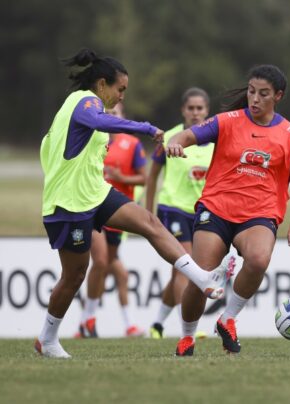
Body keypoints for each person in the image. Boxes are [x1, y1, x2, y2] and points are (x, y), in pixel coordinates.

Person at [36, 48, 228, 359]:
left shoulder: (75, 108)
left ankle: (200, 275)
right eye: (120, 89)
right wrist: (146, 128)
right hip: (69, 203)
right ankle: (47, 339)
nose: (121, 96)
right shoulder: (85, 102)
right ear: (102, 84)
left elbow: (49, 147)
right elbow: (99, 122)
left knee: (150, 223)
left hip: (95, 193)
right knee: (74, 276)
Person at [165, 65, 290, 356]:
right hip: (217, 207)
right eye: (251, 91)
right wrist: (174, 142)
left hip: (260, 212)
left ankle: (227, 318)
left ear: (278, 96)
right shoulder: (227, 121)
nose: (254, 99)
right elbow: (188, 136)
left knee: (258, 260)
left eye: (263, 94)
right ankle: (187, 337)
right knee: (201, 274)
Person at [145, 87, 216, 339]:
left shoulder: (215, 141)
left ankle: (157, 324)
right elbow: (151, 176)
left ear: (207, 111)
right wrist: (148, 214)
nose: (195, 113)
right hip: (171, 208)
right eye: (191, 108)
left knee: (180, 270)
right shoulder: (170, 138)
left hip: (200, 213)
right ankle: (188, 329)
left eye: (200, 108)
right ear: (183, 110)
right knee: (186, 268)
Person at [76, 102, 146, 338]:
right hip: (93, 208)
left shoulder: (132, 144)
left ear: (123, 117)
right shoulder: (93, 140)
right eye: (107, 114)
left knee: (113, 268)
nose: (111, 118)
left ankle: (94, 322)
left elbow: (144, 178)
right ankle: (90, 320)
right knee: (101, 260)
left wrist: (121, 177)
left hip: (119, 213)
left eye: (116, 114)